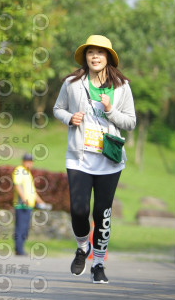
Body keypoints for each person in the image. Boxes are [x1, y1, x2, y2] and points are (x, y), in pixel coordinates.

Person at [53, 35, 136, 284]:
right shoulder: (72, 83)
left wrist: (111, 111)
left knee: (102, 212)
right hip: (79, 157)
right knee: (79, 210)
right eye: (91, 52)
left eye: (101, 52)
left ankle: (98, 264)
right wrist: (69, 118)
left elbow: (131, 122)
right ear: (85, 57)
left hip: (109, 159)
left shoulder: (122, 86)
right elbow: (58, 108)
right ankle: (82, 247)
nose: (96, 56)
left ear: (109, 57)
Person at [12, 153, 48, 256]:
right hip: (22, 204)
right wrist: (23, 198)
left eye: (31, 161)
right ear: (23, 161)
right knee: (21, 227)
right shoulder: (19, 170)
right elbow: (17, 185)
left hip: (29, 204)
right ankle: (19, 249)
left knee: (25, 227)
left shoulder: (28, 173)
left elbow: (32, 191)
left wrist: (40, 201)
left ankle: (20, 248)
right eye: (28, 161)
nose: (29, 163)